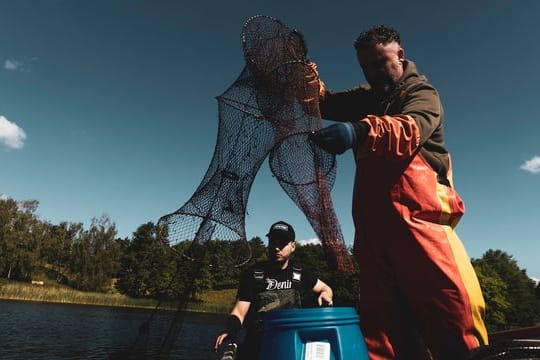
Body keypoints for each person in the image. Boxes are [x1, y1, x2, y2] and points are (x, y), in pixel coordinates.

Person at [309, 25, 488, 359]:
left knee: (452, 311)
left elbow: (410, 128)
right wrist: (306, 82)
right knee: (382, 330)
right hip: (374, 234)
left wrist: (360, 129)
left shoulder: (422, 93)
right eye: (366, 67)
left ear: (400, 56)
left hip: (422, 227)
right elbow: (322, 103)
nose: (374, 72)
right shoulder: (366, 97)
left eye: (380, 63)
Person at [213, 220, 333, 359]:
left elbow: (325, 288)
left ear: (293, 246)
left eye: (282, 243)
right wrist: (230, 330)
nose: (277, 247)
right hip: (257, 345)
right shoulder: (253, 274)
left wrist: (325, 294)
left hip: (291, 345)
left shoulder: (300, 272)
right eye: (273, 242)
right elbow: (239, 312)